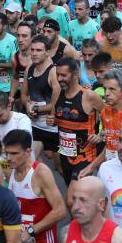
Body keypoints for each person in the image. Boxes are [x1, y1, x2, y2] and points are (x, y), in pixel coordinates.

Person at [51, 57, 104, 192]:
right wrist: (53, 121)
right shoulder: (57, 93)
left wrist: (100, 135)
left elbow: (109, 116)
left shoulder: (88, 96)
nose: (59, 78)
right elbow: (55, 118)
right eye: (58, 74)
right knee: (74, 199)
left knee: (72, 197)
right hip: (65, 153)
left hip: (85, 156)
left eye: (63, 75)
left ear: (75, 75)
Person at [22, 35, 61, 161]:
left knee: (57, 164)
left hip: (50, 126)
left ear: (47, 52)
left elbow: (56, 102)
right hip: (34, 124)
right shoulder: (29, 68)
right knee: (33, 160)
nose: (34, 53)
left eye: (38, 50)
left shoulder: (53, 71)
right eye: (32, 50)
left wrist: (37, 109)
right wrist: (28, 106)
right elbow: (23, 95)